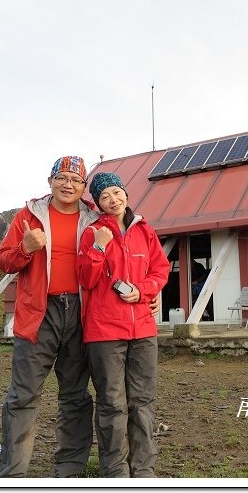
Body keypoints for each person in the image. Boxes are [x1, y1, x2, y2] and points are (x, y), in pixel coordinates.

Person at [0, 156, 98, 478]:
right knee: (23, 396)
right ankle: (12, 474)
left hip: (81, 315)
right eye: (62, 177)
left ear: (83, 187)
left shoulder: (95, 219)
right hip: (38, 314)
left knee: (75, 396)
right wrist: (25, 247)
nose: (68, 185)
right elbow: (5, 262)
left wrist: (145, 298)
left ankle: (69, 470)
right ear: (50, 181)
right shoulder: (29, 216)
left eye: (76, 180)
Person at [77, 172, 170, 478]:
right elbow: (86, 279)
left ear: (126, 195)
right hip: (104, 332)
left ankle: (143, 469)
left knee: (143, 401)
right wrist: (100, 247)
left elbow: (160, 269)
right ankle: (115, 472)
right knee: (112, 403)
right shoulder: (92, 232)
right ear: (98, 203)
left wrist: (144, 292)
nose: (113, 200)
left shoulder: (145, 230)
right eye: (105, 196)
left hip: (143, 330)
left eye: (117, 192)